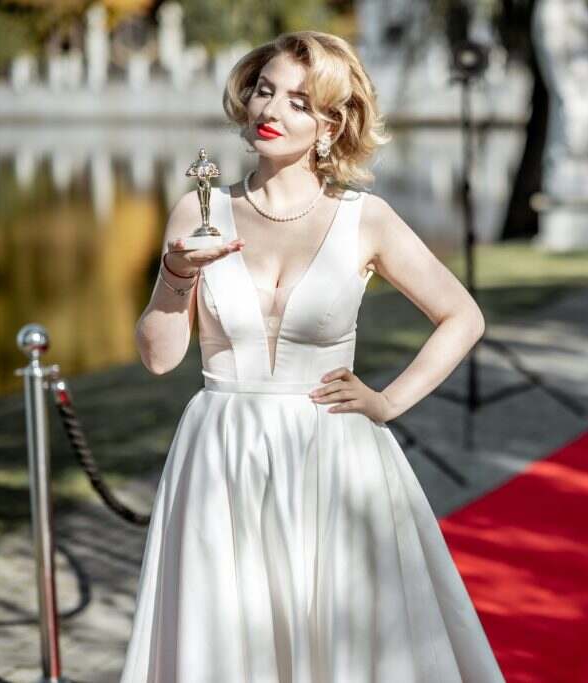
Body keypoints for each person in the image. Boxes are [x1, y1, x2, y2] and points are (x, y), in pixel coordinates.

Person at [122, 31, 505, 682]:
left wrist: (388, 401)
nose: (271, 110)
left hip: (334, 455)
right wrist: (175, 275)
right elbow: (159, 359)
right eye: (263, 91)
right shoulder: (199, 208)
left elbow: (463, 316)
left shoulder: (365, 218)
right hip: (222, 452)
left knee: (341, 642)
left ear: (331, 124)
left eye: (299, 102)